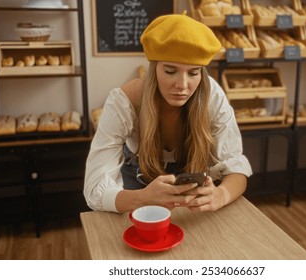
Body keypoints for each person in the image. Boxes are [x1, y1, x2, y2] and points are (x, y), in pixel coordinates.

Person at [84, 11, 252, 213]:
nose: (182, 85)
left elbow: (236, 167)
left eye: (193, 72)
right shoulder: (124, 101)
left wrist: (221, 194)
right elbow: (94, 191)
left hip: (192, 180)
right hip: (137, 177)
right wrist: (142, 198)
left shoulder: (212, 97)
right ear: (154, 69)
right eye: (170, 71)